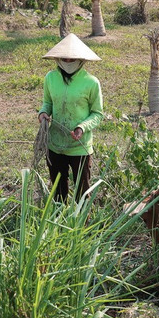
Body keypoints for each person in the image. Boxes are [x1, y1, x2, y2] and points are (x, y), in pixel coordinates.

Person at [38, 33, 104, 202]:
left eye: (72, 59)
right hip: (55, 144)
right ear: (58, 59)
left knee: (82, 192)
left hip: (79, 147)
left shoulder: (91, 82)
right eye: (64, 59)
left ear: (81, 60)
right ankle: (58, 222)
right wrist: (43, 114)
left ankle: (82, 224)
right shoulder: (50, 78)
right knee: (58, 190)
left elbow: (97, 113)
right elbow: (47, 103)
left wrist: (82, 127)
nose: (68, 63)